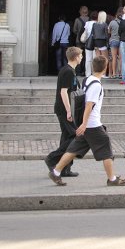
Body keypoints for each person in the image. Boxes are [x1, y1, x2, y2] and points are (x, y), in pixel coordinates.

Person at [48, 55, 125, 187]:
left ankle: (56, 172)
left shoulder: (88, 79)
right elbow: (89, 105)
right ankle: (112, 179)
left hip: (87, 124)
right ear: (105, 68)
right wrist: (85, 124)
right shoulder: (96, 85)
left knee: (73, 149)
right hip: (92, 125)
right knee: (106, 151)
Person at [43, 47, 82, 178]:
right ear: (76, 57)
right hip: (64, 109)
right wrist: (68, 111)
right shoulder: (68, 72)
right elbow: (63, 92)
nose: (82, 57)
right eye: (81, 55)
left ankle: (65, 168)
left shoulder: (70, 71)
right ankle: (52, 158)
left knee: (66, 137)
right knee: (73, 136)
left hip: (67, 108)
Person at [71, 5, 89, 75]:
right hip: (87, 40)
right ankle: (85, 71)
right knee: (86, 56)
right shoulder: (89, 19)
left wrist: (79, 34)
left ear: (80, 12)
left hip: (79, 40)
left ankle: (78, 71)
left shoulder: (77, 20)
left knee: (78, 55)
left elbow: (74, 30)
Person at [81, 10, 98, 77]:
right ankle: (94, 73)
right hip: (96, 43)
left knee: (88, 59)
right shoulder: (98, 23)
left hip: (88, 42)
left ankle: (88, 74)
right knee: (95, 59)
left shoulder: (87, 23)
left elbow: (86, 32)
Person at [107, 8, 122, 79]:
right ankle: (120, 73)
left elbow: (109, 32)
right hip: (121, 40)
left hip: (113, 40)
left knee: (114, 58)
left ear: (116, 16)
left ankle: (114, 73)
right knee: (120, 58)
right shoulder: (123, 22)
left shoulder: (112, 22)